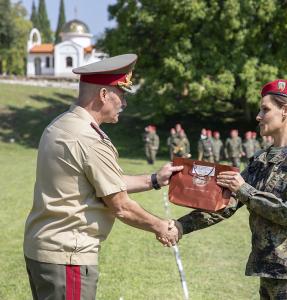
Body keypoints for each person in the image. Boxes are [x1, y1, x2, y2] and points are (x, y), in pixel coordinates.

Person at [23, 54, 182, 300]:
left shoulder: (60, 125)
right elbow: (121, 206)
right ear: (104, 95)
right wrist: (161, 226)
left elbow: (103, 182)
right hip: (68, 257)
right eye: (122, 95)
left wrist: (154, 179)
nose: (124, 103)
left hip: (43, 250)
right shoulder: (88, 139)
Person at [175, 79, 287, 299]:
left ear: (285, 111)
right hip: (268, 268)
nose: (258, 116)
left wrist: (245, 189)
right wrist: (180, 226)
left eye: (265, 109)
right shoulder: (261, 159)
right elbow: (226, 204)